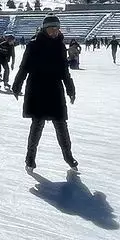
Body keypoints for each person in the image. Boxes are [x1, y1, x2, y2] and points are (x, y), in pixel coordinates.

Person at [11, 15, 78, 172]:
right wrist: (17, 85)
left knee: (61, 125)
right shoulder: (33, 46)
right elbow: (24, 67)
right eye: (52, 29)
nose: (55, 32)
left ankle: (68, 157)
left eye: (57, 29)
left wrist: (70, 89)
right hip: (37, 89)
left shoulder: (61, 47)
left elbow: (64, 71)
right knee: (37, 125)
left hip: (55, 90)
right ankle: (30, 158)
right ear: (45, 29)